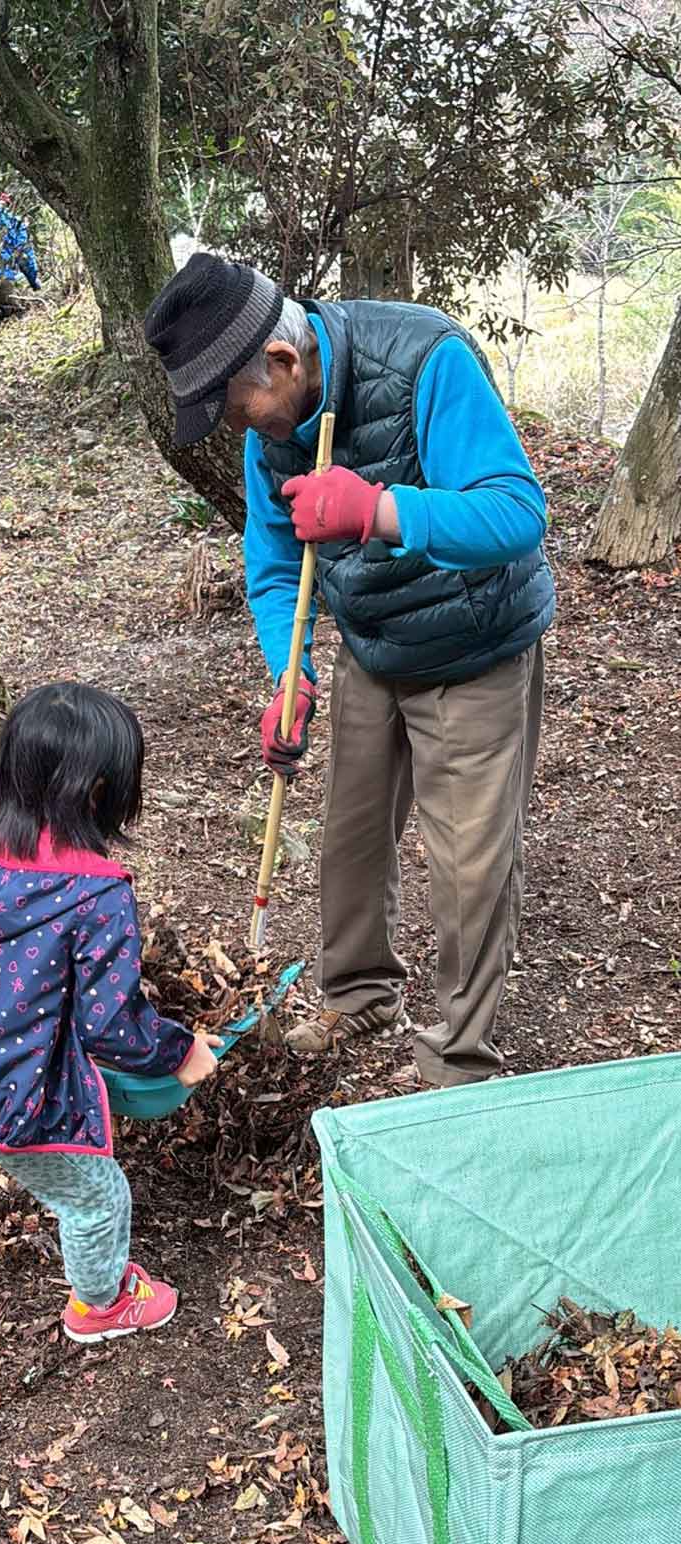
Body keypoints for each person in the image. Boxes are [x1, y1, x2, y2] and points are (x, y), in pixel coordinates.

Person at [143, 255, 556, 1089]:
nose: (237, 429)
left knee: (469, 865)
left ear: (284, 364)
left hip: (474, 647)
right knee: (351, 838)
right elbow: (270, 568)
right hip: (373, 647)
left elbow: (518, 511)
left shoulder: (425, 360)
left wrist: (378, 508)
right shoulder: (278, 428)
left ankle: (459, 1057)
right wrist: (288, 673)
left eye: (233, 408)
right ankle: (360, 991)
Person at [0, 682, 218, 1338]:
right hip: (16, 1092)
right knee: (95, 1196)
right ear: (100, 791)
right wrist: (180, 1051)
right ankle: (101, 1303)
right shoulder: (97, 896)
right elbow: (110, 1025)